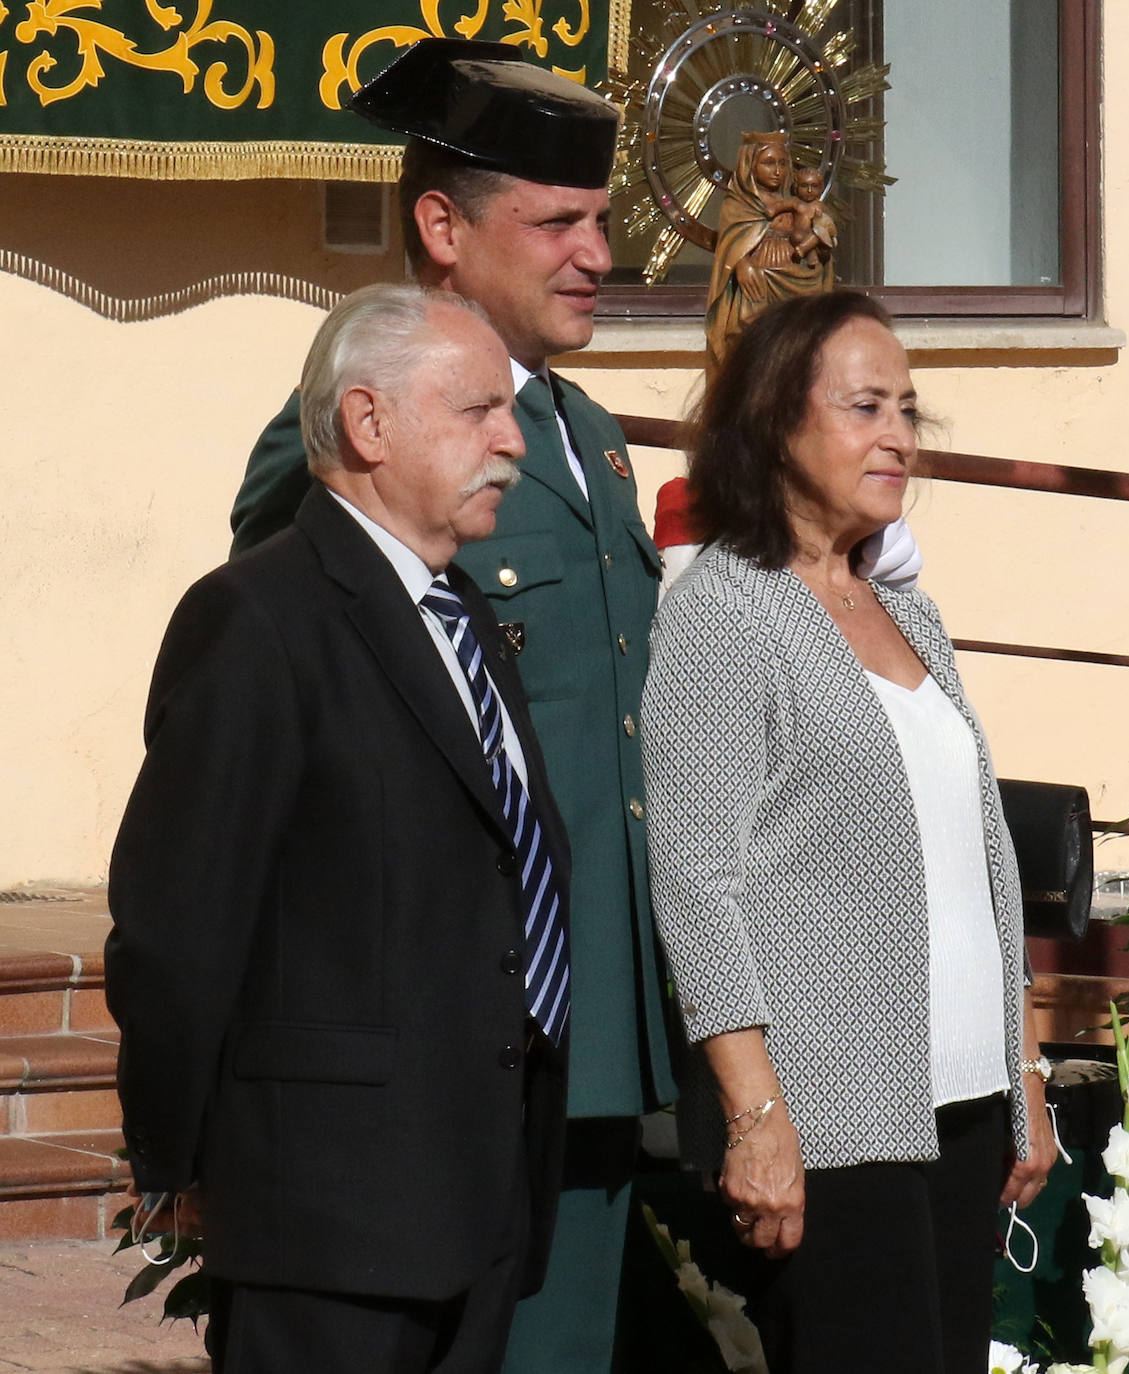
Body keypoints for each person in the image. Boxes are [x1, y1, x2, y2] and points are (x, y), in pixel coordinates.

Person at [227, 39, 677, 1372]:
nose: (598, 254)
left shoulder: (588, 437)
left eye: (602, 222)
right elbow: (279, 712)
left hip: (586, 1039)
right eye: (558, 223)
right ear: (441, 227)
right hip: (431, 1067)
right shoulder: (351, 434)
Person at [105, 283, 571, 1374]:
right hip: (329, 1225)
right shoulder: (258, 618)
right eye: (477, 412)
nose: (513, 441)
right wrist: (173, 1161)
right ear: (368, 423)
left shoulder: (463, 619)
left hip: (475, 1206)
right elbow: (178, 928)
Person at [640, 290, 1057, 1373]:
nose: (898, 438)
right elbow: (694, 880)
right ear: (776, 422)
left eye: (909, 411)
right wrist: (755, 1114)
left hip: (964, 1108)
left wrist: (1024, 1076)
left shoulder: (905, 610)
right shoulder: (721, 610)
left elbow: (979, 859)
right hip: (832, 1116)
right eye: (865, 406)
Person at [705, 132, 833, 370]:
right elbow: (729, 245)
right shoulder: (738, 206)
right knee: (754, 343)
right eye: (769, 163)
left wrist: (821, 248)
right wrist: (741, 264)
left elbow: (822, 239)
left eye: (783, 164)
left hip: (799, 278)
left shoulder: (798, 203)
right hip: (757, 285)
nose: (777, 171)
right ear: (749, 165)